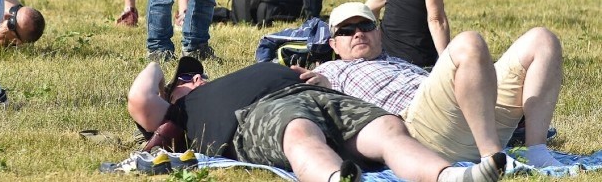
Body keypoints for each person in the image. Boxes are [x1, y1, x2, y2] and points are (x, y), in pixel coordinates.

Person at [128, 57, 506, 182]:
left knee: (389, 128)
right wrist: (168, 82)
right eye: (184, 78)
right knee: (299, 133)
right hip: (257, 114)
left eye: (196, 74)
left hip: (320, 95)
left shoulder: (235, 75)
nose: (195, 78)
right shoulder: (181, 111)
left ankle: (450, 177)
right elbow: (140, 94)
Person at [307, 2, 563, 168]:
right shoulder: (332, 69)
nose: (358, 33)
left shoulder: (398, 62)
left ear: (379, 32)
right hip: (422, 132)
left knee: (542, 39)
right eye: (346, 31)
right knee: (469, 43)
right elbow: (315, 91)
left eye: (365, 25)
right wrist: (317, 82)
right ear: (333, 45)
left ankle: (536, 151)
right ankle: (494, 159)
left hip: (480, 118)